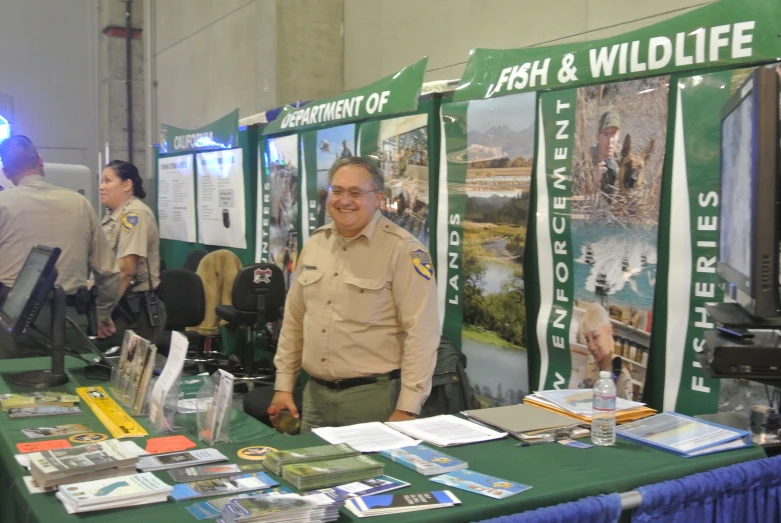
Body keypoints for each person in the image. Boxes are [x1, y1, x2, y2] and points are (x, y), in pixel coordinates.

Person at [270, 156, 440, 433]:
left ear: (379, 199)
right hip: (315, 399)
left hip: (374, 402)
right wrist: (283, 386)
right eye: (337, 191)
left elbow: (422, 333)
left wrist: (408, 407)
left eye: (355, 192)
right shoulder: (315, 245)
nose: (343, 200)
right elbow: (294, 321)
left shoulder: (403, 250)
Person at [0, 135, 120, 358]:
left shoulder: (2, 204)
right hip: (70, 318)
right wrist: (102, 315)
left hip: (13, 320)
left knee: (13, 387)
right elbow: (108, 272)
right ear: (40, 160)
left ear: (6, 173)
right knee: (74, 386)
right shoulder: (80, 203)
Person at [98, 160, 165, 347]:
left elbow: (126, 270)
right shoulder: (114, 215)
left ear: (127, 185)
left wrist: (104, 313)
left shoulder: (134, 215)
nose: (101, 186)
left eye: (107, 181)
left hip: (134, 312)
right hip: (120, 305)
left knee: (128, 372)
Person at [577, 303, 633, 400]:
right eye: (587, 339)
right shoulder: (589, 369)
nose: (591, 347)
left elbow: (626, 414)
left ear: (609, 331)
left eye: (595, 337)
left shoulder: (622, 377)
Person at [591, 111, 621, 203]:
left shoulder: (622, 160)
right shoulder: (586, 158)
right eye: (606, 134)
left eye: (613, 134)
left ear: (619, 136)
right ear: (598, 137)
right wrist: (593, 181)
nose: (610, 141)